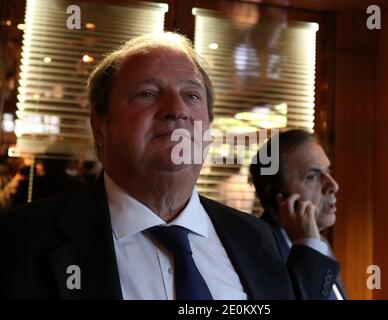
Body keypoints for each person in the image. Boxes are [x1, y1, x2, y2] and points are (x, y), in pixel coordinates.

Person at [0, 32, 338, 300]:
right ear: (100, 127)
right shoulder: (18, 241)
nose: (176, 110)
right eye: (147, 94)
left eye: (192, 96)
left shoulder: (259, 239)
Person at [250, 129, 347, 299]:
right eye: (312, 177)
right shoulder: (257, 254)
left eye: (328, 172)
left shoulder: (318, 242)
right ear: (277, 196)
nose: (333, 185)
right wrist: (309, 245)